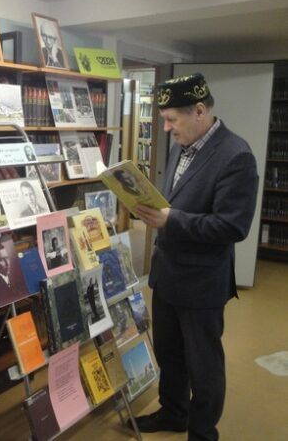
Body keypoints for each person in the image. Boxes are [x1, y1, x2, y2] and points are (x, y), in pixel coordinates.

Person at [132, 73, 258, 441]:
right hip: (168, 274)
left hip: (202, 283)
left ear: (199, 111)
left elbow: (232, 226)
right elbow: (175, 200)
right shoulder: (180, 146)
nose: (167, 128)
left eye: (172, 119)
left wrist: (170, 219)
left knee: (204, 366)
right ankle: (174, 413)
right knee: (169, 353)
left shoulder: (237, 155)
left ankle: (203, 432)